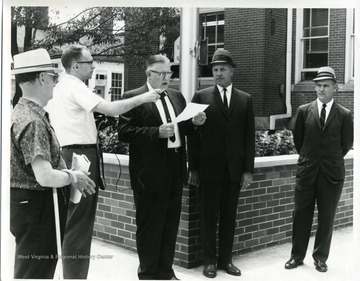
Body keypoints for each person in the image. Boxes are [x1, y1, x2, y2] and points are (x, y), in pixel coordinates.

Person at [46, 44, 160, 279]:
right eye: (90, 63)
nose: (93, 66)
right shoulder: (76, 87)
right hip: (81, 158)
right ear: (75, 66)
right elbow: (111, 108)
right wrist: (144, 98)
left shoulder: (59, 88)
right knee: (80, 225)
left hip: (68, 155)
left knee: (72, 222)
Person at [117, 54, 206, 280]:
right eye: (162, 73)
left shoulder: (177, 96)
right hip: (148, 175)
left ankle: (166, 272)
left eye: (170, 72)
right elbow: (124, 133)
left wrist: (194, 124)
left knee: (169, 225)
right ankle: (148, 274)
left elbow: (183, 128)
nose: (167, 77)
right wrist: (155, 132)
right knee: (149, 227)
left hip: (174, 172)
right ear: (149, 74)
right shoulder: (133, 97)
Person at [10, 48, 96, 279]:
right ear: (42, 78)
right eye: (54, 78)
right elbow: (45, 176)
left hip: (28, 205)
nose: (55, 84)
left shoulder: (21, 112)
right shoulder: (33, 120)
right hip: (37, 207)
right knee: (36, 273)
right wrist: (73, 176)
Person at [187, 49, 255, 278]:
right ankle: (209, 261)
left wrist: (247, 170)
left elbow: (249, 137)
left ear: (232, 71)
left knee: (229, 218)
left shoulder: (245, 99)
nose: (218, 73)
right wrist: (193, 168)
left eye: (222, 69)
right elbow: (192, 136)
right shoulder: (201, 96)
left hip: (234, 172)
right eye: (215, 70)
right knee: (208, 218)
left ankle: (226, 260)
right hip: (208, 170)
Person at [284, 66, 353, 273]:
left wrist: (328, 161)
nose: (321, 89)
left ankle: (321, 257)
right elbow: (298, 140)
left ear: (335, 88)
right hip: (307, 171)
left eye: (325, 86)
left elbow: (346, 144)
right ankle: (296, 256)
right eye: (318, 86)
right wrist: (310, 159)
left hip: (331, 174)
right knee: (301, 214)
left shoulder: (344, 114)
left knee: (326, 216)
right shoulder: (304, 111)